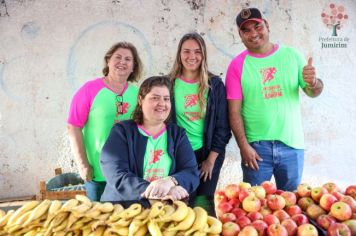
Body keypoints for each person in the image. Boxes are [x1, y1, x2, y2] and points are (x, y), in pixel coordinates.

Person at [226, 8, 324, 191]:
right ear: (240, 36)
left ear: (267, 26)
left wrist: (313, 82)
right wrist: (243, 147)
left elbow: (313, 92)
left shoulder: (292, 56)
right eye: (246, 30)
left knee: (292, 210)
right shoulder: (236, 66)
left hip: (292, 146)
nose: (254, 33)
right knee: (253, 210)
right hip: (256, 149)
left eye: (258, 26)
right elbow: (234, 112)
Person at [100, 76, 200, 201]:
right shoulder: (122, 132)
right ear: (140, 100)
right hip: (124, 209)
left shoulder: (177, 134)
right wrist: (160, 191)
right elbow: (116, 174)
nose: (162, 103)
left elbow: (191, 172)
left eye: (166, 99)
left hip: (163, 210)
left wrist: (170, 181)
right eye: (155, 98)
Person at [67, 42, 143, 201]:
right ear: (108, 61)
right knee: (99, 221)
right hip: (98, 173)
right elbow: (73, 126)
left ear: (133, 67)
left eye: (128, 59)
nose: (122, 62)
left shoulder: (138, 94)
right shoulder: (89, 90)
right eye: (118, 57)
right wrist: (83, 164)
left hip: (129, 174)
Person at [168, 32, 231, 202]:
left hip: (207, 154)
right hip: (177, 155)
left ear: (203, 55)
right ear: (179, 54)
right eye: (186, 51)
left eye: (197, 51)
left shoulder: (214, 85)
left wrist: (210, 160)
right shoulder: (168, 84)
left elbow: (223, 128)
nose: (192, 56)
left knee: (203, 204)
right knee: (181, 203)